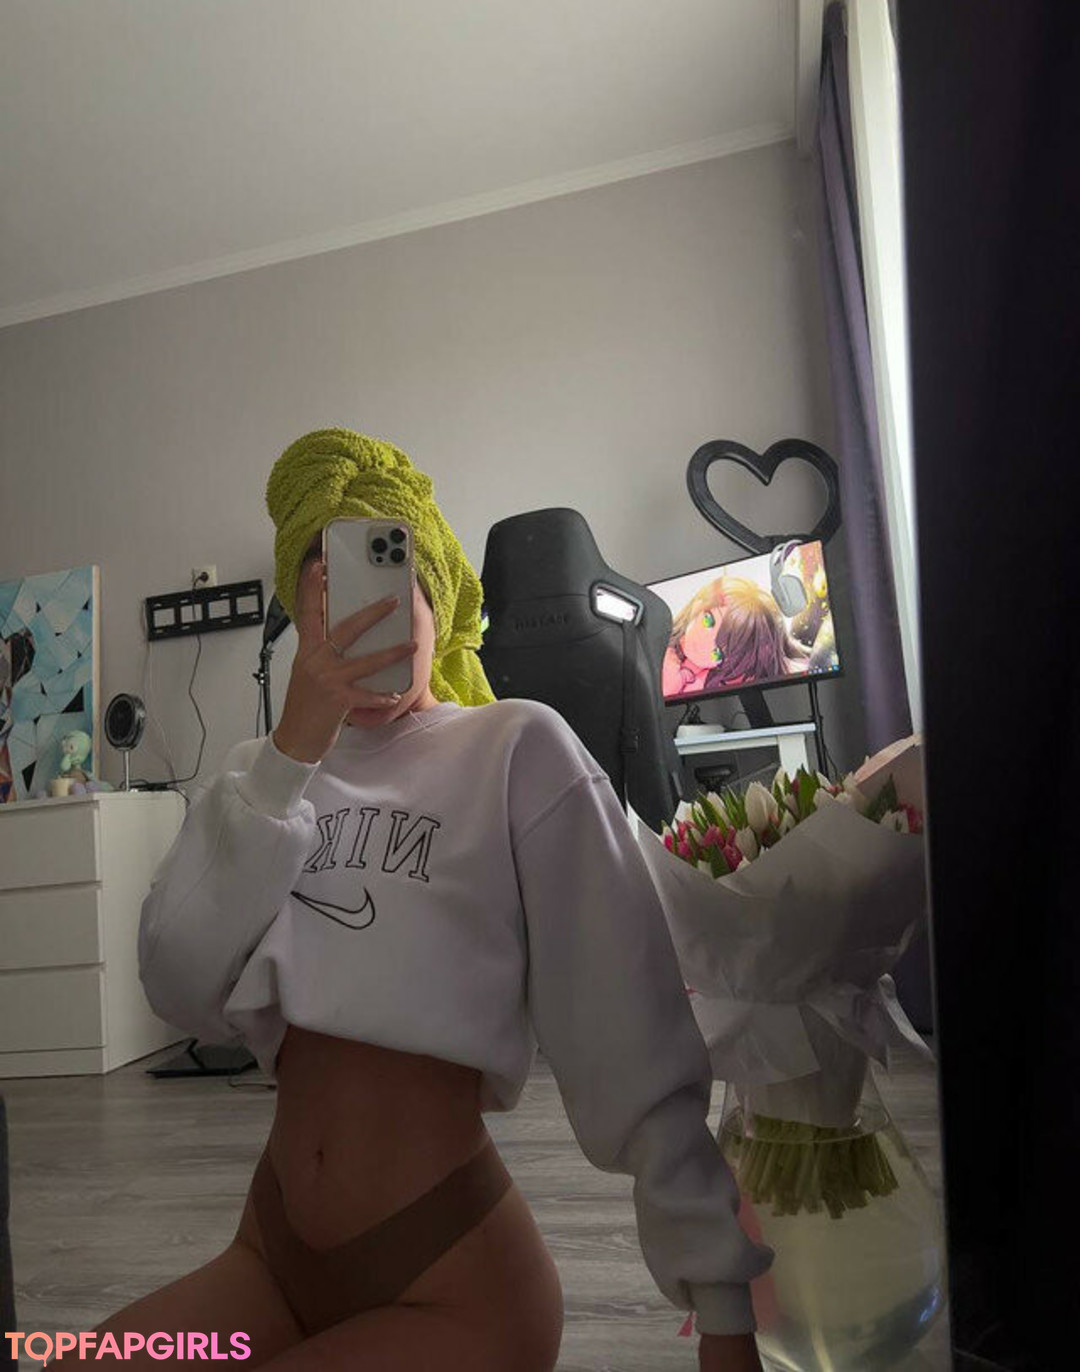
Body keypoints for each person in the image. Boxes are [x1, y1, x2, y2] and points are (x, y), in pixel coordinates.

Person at [94, 429, 772, 1370]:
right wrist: (288, 755)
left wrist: (723, 1305)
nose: (367, 619)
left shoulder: (514, 747)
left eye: (390, 580)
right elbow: (175, 984)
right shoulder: (261, 775)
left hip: (451, 1280)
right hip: (269, 1257)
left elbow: (629, 1033)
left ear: (436, 592)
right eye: (332, 597)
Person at [662, 575, 810, 698]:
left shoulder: (708, 681)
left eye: (717, 653)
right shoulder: (660, 638)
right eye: (708, 620)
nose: (702, 645)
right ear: (698, 604)